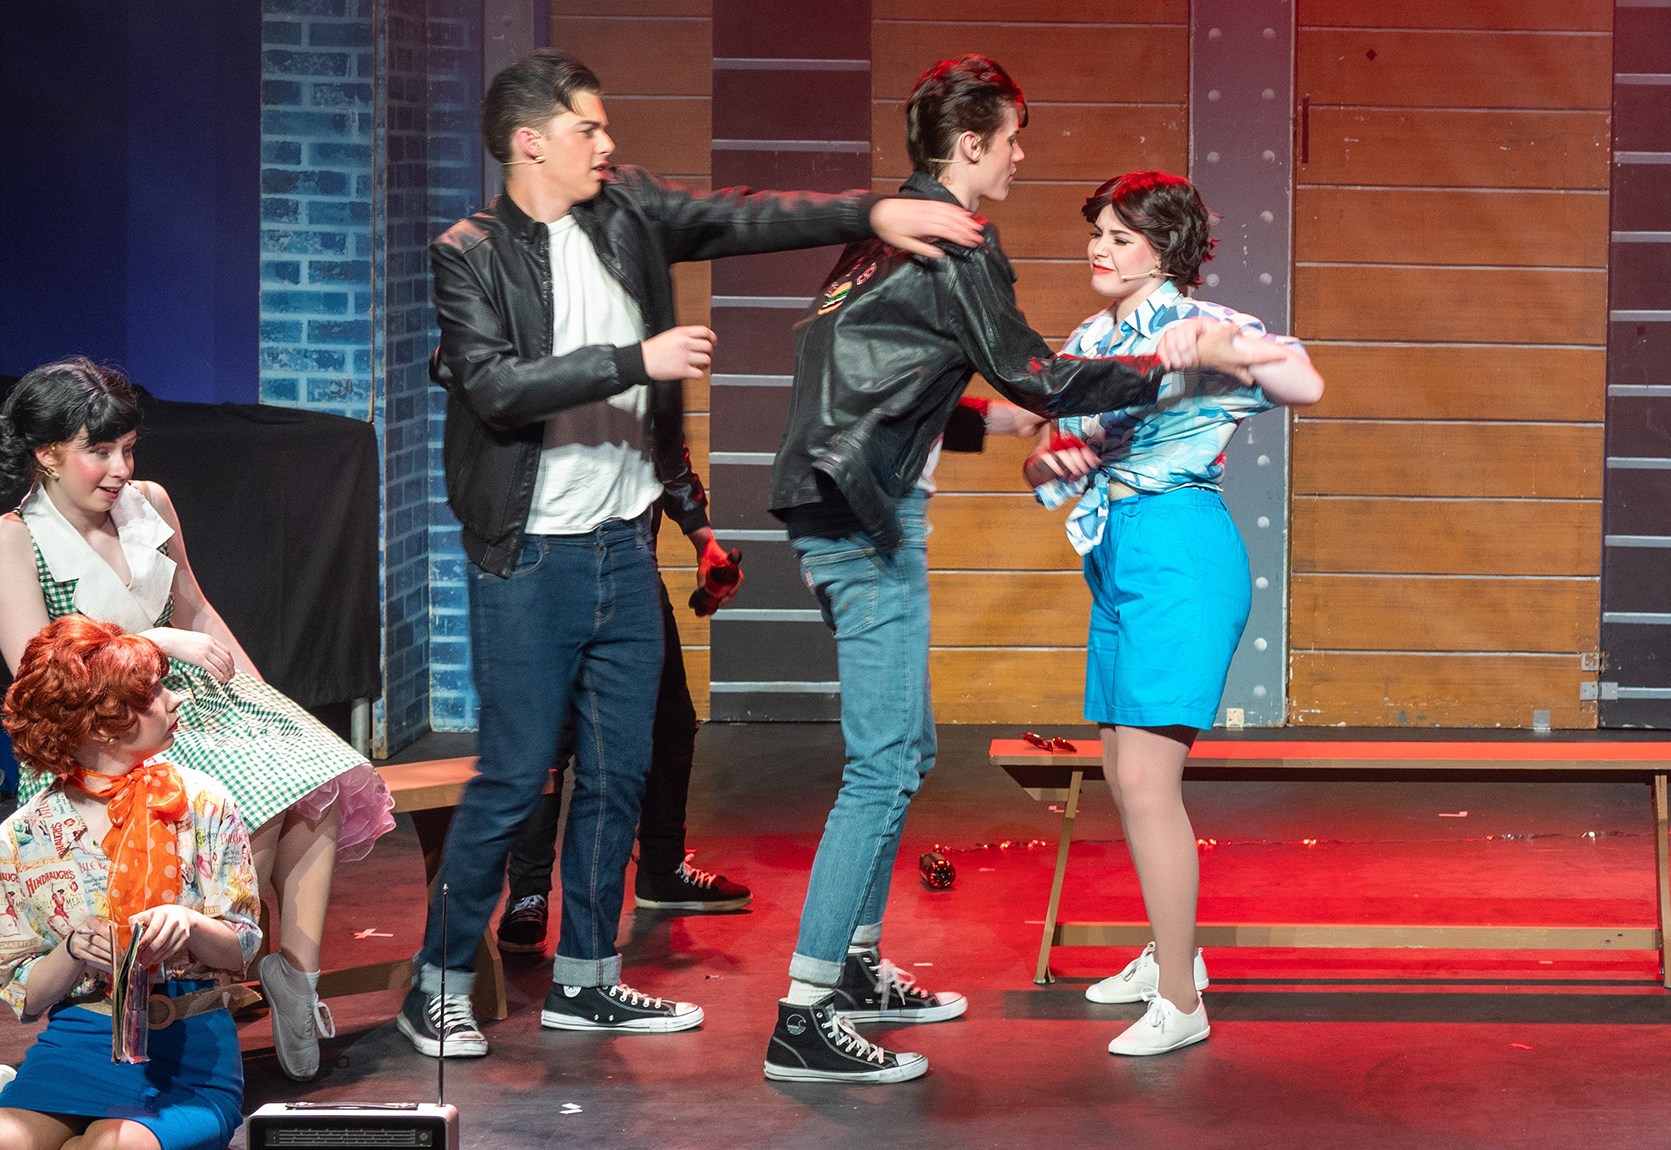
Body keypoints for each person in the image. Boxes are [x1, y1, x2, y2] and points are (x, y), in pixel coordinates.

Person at [407, 47, 987, 1059]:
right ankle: (438, 982)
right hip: (529, 555)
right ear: (529, 141)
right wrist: (637, 358)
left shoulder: (626, 209)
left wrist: (873, 212)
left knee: (619, 772)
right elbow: (494, 387)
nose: (607, 142)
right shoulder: (470, 252)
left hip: (621, 547)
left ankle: (588, 979)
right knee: (516, 774)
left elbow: (743, 216)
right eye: (587, 127)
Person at [760, 56, 1293, 1084]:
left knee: (912, 750)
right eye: (1012, 138)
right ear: (972, 144)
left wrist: (986, 420)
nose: (1019, 156)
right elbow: (1040, 376)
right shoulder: (956, 238)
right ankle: (805, 1010)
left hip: (851, 502)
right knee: (884, 764)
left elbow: (876, 380)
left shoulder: (886, 237)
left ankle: (857, 967)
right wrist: (1165, 364)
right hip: (863, 517)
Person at [0, 359, 394, 1081]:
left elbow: (197, 608)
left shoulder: (148, 503)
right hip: (102, 730)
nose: (120, 469)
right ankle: (209, 997)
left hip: (191, 704)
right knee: (253, 800)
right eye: (100, 452)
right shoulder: (14, 536)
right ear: (47, 454)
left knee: (317, 774)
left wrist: (268, 701)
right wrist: (155, 643)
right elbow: (41, 671)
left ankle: (295, 979)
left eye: (128, 449)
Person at [1026, 170, 1323, 1056]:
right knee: (1121, 772)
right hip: (1117, 550)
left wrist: (1226, 345)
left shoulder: (1205, 322)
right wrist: (1052, 457)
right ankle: (1171, 953)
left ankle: (1182, 1000)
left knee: (1152, 780)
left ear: (1164, 251)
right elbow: (1055, 452)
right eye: (1098, 233)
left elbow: (1306, 384)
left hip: (1182, 550)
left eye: (1120, 237)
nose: (1099, 249)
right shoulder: (1091, 338)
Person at [0, 616, 261, 1150]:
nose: (175, 699)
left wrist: (190, 925)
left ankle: (43, 1131)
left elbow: (243, 947)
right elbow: (28, 996)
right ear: (102, 725)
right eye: (152, 693)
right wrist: (74, 950)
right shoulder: (21, 839)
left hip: (190, 1045)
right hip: (83, 1037)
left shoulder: (202, 805)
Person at [495, 495, 750, 958]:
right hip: (552, 566)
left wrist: (703, 539)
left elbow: (669, 465)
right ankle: (528, 894)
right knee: (549, 738)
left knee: (671, 723)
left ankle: (662, 870)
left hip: (631, 569)